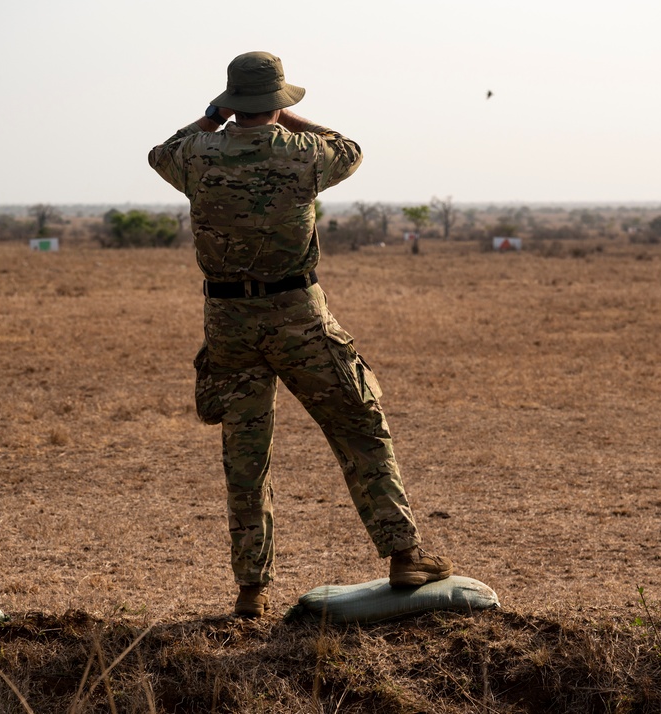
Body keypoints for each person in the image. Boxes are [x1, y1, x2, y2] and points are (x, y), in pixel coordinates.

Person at [148, 51, 452, 618]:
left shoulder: (195, 155)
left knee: (245, 457)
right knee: (359, 427)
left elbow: (158, 154)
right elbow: (352, 150)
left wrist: (211, 118)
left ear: (230, 100)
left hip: (229, 323)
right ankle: (404, 552)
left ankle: (251, 590)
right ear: (279, 102)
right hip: (298, 315)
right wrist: (295, 121)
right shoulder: (303, 153)